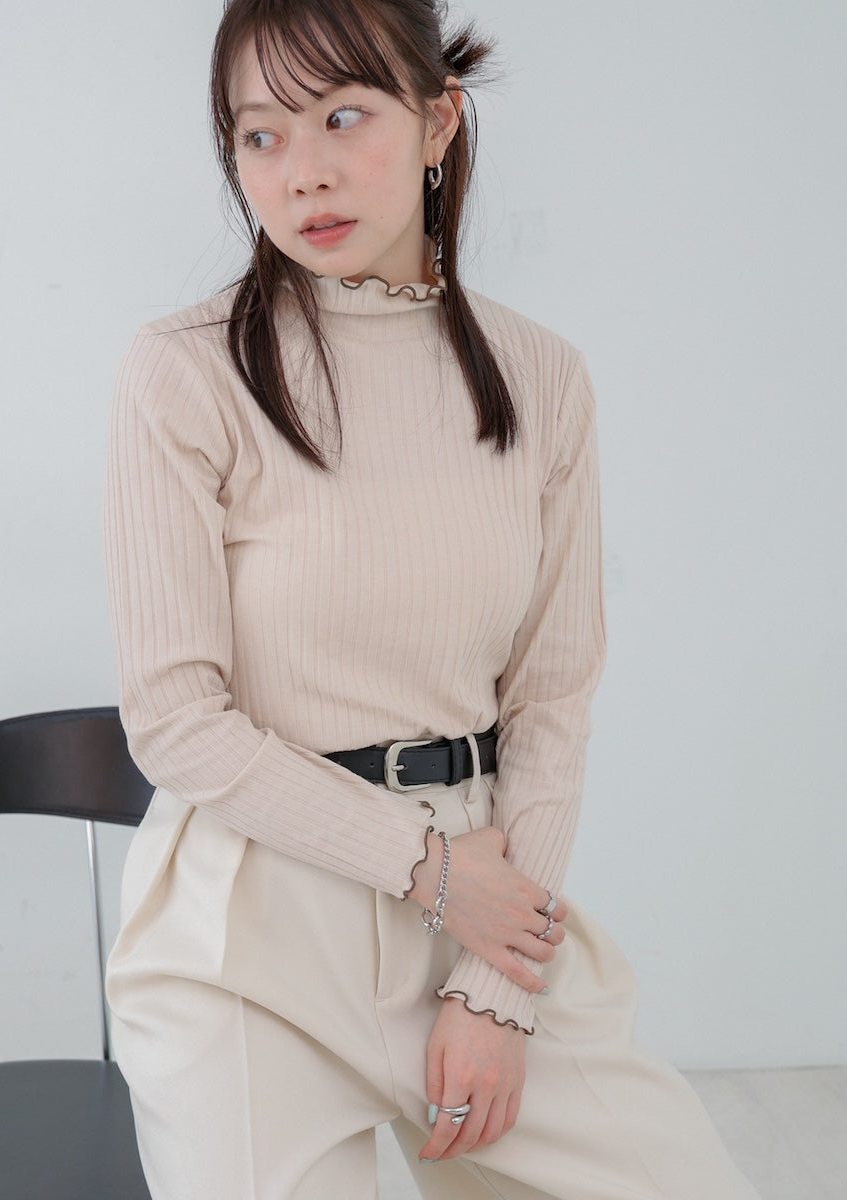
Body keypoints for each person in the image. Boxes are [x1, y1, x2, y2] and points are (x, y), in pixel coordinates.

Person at [103, 1, 761, 1196]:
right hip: (249, 937)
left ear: (437, 122)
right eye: (259, 135)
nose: (302, 172)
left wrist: (495, 983)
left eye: (342, 116)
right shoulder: (185, 370)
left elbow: (552, 700)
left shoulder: (541, 380)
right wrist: (427, 870)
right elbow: (176, 722)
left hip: (484, 903)